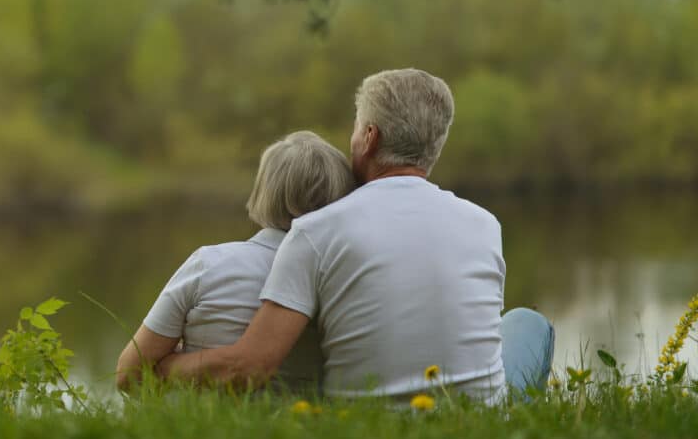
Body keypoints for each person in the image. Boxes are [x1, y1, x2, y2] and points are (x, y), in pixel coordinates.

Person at [156, 69, 554, 402]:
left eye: (354, 129)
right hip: (475, 423)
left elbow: (251, 366)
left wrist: (163, 366)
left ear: (370, 137)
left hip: (363, 421)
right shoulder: (485, 224)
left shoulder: (316, 231)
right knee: (527, 324)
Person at [115, 131, 356, 391]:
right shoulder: (345, 279)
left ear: (264, 191)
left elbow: (128, 376)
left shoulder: (208, 264)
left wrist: (174, 362)